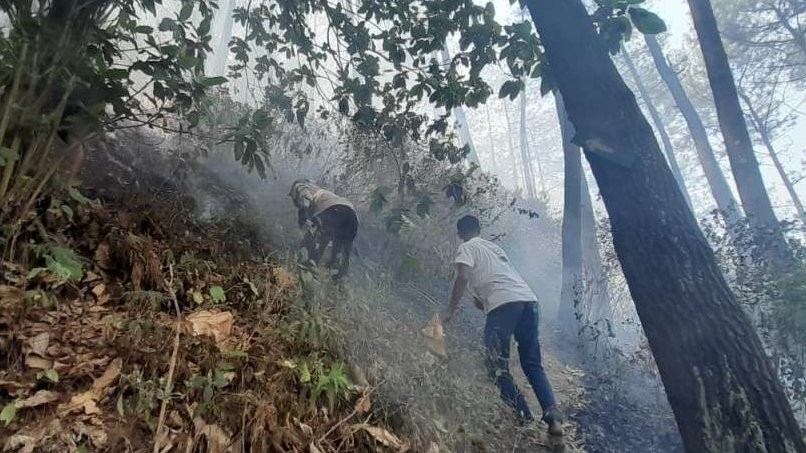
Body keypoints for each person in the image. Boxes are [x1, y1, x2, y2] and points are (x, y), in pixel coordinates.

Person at [443, 215, 563, 435]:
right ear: (480, 229)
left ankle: (523, 418)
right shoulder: (495, 249)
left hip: (504, 305)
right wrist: (484, 300)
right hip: (529, 302)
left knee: (496, 366)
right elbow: (499, 279)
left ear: (460, 235)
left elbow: (462, 277)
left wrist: (451, 310)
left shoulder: (467, 247)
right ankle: (553, 418)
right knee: (532, 364)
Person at [289, 179, 358, 278]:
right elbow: (327, 238)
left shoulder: (301, 187)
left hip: (335, 210)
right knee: (342, 250)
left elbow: (305, 203)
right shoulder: (327, 195)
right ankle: (337, 276)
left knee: (314, 233)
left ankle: (308, 263)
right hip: (353, 217)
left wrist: (302, 219)